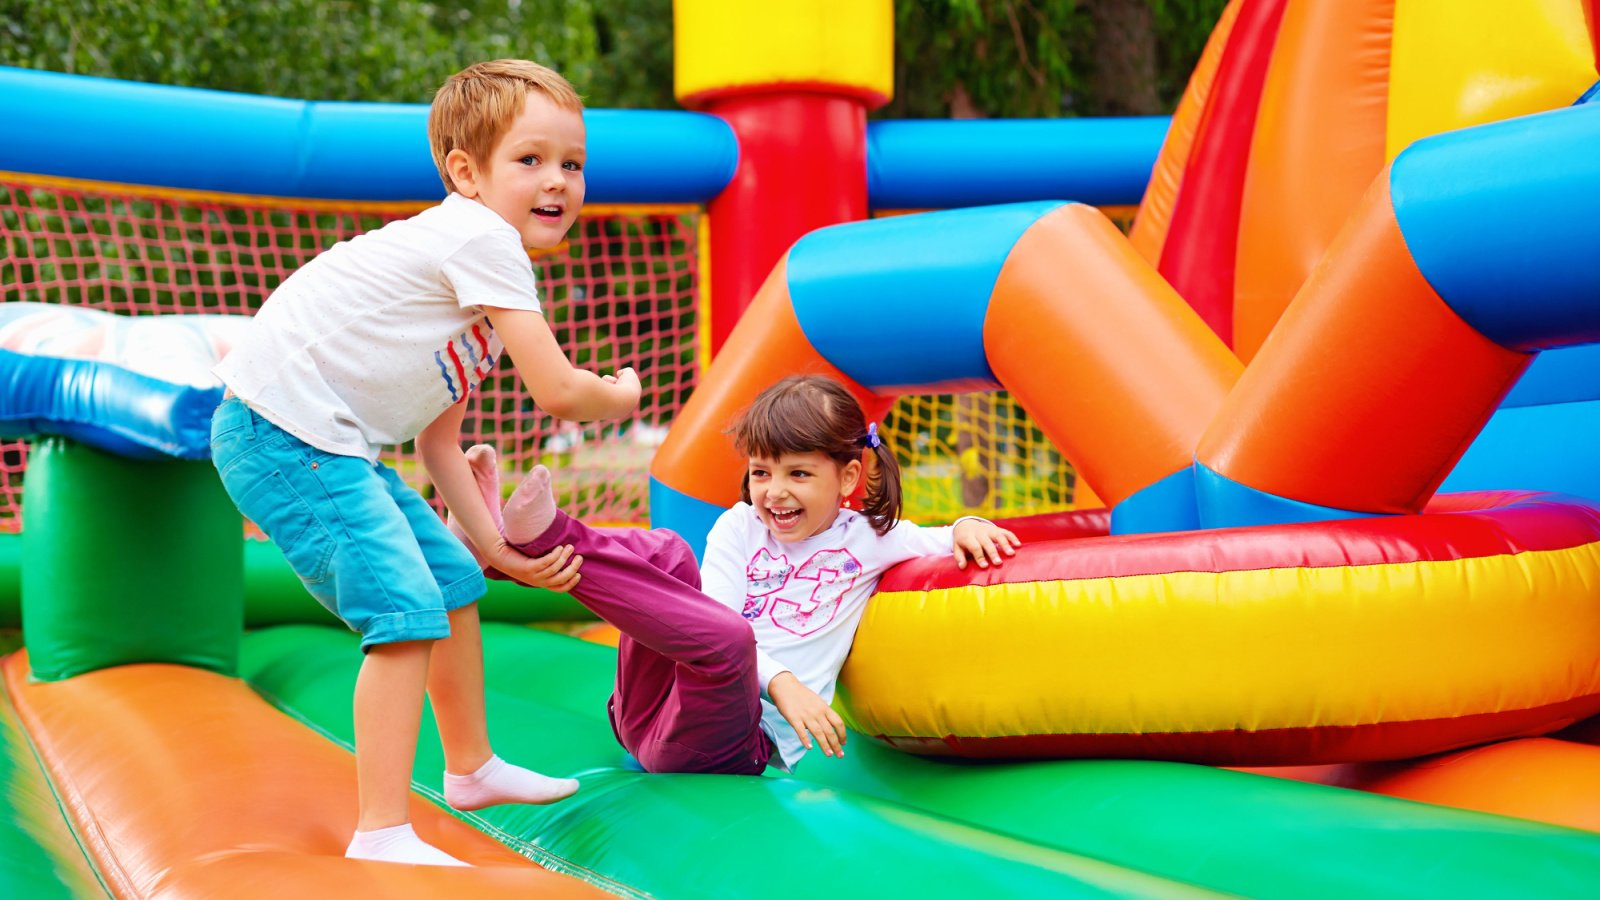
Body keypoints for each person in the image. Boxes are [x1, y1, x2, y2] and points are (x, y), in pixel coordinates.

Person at [208, 59, 638, 867]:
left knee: (452, 581)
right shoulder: (481, 240)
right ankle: (380, 831)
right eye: (531, 160)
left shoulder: (466, 289)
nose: (558, 183)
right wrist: (619, 394)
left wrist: (499, 548)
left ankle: (471, 767)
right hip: (282, 435)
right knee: (403, 613)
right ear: (465, 173)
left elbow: (438, 442)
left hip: (325, 443)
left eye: (572, 164)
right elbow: (558, 392)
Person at [461, 374, 1021, 775]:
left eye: (798, 474)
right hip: (645, 711)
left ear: (849, 476)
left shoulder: (870, 537)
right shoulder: (739, 525)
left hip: (735, 744)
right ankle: (505, 545)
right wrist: (786, 685)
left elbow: (940, 537)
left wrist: (968, 523)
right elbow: (707, 623)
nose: (774, 492)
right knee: (669, 554)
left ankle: (527, 538)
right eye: (761, 472)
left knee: (729, 637)